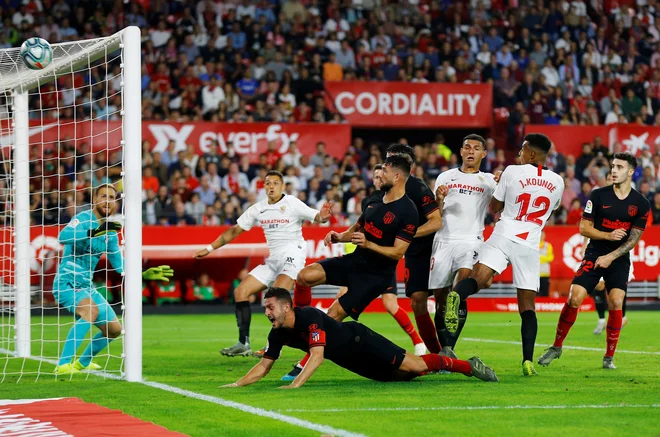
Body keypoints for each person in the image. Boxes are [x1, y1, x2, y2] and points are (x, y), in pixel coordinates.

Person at [282, 155, 419, 380]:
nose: (378, 175)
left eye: (383, 171)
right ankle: (300, 320)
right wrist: (339, 237)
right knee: (304, 276)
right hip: (355, 261)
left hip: (374, 277)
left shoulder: (408, 211)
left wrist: (369, 243)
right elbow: (358, 227)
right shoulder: (374, 200)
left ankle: (303, 363)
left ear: (396, 177)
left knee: (332, 316)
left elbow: (398, 252)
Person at [443, 133, 565, 376]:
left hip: (504, 234)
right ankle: (528, 361)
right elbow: (551, 211)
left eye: (522, 149)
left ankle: (456, 295)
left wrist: (503, 190)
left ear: (531, 153)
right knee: (527, 306)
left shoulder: (511, 171)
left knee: (478, 279)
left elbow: (495, 207)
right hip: (529, 242)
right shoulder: (558, 181)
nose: (518, 153)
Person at [221, 288, 498, 388]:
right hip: (351, 361)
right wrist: (237, 383)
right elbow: (264, 365)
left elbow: (316, 357)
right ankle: (441, 364)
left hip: (360, 341)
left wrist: (295, 386)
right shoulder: (276, 332)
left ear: (286, 306)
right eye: (265, 308)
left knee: (415, 366)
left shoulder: (309, 317)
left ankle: (467, 366)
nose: (267, 312)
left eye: (270, 307)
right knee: (403, 377)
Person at [195, 170, 332, 357]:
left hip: (293, 256)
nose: (271, 186)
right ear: (264, 187)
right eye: (268, 183)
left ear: (282, 186)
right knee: (240, 292)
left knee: (276, 299)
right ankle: (243, 343)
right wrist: (210, 248)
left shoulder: (292, 203)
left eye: (275, 183)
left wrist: (324, 215)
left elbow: (318, 217)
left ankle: (274, 347)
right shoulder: (258, 208)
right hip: (274, 259)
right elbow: (235, 230)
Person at [538, 153, 650, 370]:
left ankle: (609, 356)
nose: (614, 170)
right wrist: (608, 236)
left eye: (619, 166)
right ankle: (556, 346)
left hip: (619, 258)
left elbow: (633, 240)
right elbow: (583, 228)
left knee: (616, 301)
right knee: (574, 297)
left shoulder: (641, 203)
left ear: (630, 172)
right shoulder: (597, 196)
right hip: (594, 253)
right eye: (613, 166)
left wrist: (611, 256)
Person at [54, 184, 174, 375]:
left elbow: (119, 264)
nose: (108, 201)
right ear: (95, 199)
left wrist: (141, 273)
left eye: (112, 197)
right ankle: (63, 365)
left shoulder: (110, 233)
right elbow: (63, 236)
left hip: (86, 286)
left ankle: (82, 363)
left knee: (115, 330)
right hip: (67, 283)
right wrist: (92, 233)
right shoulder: (82, 219)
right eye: (103, 196)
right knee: (91, 311)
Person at [430, 134, 498, 358]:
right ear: (460, 151)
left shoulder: (488, 180)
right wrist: (439, 200)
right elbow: (434, 216)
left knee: (458, 291)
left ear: (483, 154)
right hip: (443, 241)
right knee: (440, 299)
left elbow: (499, 206)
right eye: (467, 147)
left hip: (471, 241)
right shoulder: (444, 177)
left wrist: (503, 183)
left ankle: (449, 348)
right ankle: (445, 349)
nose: (471, 151)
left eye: (476, 148)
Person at [385, 144, 443, 355]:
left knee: (442, 300)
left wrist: (406, 235)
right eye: (388, 161)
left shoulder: (417, 188)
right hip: (412, 252)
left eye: (396, 161)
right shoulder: (385, 190)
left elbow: (436, 222)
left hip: (432, 249)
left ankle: (446, 350)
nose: (390, 166)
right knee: (418, 302)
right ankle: (437, 356)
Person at [364, 164, 425, 355]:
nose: (378, 178)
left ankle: (418, 343)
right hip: (364, 261)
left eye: (380, 175)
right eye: (375, 176)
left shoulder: (398, 203)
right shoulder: (369, 201)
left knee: (390, 305)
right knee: (341, 301)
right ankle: (314, 349)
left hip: (383, 262)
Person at [538, 231, 554, 297]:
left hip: (545, 273)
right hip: (535, 274)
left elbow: (551, 257)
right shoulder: (533, 245)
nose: (541, 236)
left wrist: (540, 258)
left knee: (545, 293)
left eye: (542, 234)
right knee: (536, 293)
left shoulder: (548, 245)